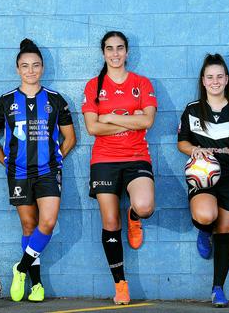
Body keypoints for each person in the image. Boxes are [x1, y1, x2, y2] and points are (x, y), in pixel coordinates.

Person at [0, 38, 76, 302]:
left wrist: (58, 156)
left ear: (43, 68)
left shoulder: (56, 101)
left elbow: (69, 138)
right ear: (17, 69)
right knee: (28, 225)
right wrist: (7, 162)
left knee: (47, 222)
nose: (31, 70)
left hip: (48, 171)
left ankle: (20, 268)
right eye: (25, 66)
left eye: (36, 65)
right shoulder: (5, 102)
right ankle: (36, 286)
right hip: (19, 173)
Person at [81, 31, 157, 305]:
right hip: (104, 160)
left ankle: (134, 215)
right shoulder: (94, 86)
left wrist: (110, 116)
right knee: (110, 222)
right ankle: (121, 284)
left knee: (146, 205)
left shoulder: (141, 83)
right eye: (110, 49)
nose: (115, 53)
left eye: (120, 48)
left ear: (127, 52)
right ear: (103, 53)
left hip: (137, 156)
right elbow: (92, 128)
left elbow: (147, 122)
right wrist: (130, 119)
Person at [177, 53, 229, 307]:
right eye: (210, 77)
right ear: (203, 79)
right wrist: (193, 150)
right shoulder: (192, 110)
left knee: (226, 229)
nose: (215, 81)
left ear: (227, 79)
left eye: (219, 76)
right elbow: (182, 142)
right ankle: (203, 229)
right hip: (203, 174)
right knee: (207, 216)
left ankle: (217, 288)